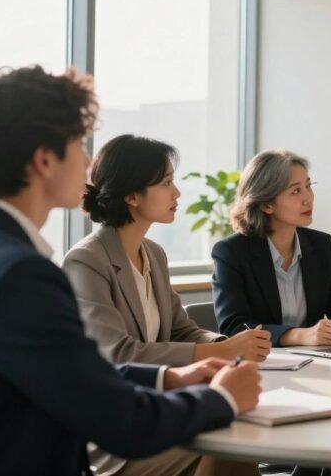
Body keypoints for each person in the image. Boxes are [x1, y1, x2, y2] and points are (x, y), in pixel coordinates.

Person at [0, 66, 260, 476]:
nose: (86, 160)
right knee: (230, 440)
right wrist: (221, 399)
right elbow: (122, 424)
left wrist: (167, 378)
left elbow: (69, 371)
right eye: (78, 144)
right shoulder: (19, 275)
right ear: (44, 159)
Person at [63, 134, 271, 476]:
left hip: (159, 409)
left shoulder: (154, 255)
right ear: (131, 195)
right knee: (233, 441)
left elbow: (180, 328)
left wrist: (225, 346)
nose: (176, 193)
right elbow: (117, 354)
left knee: (236, 440)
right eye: (166, 182)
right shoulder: (87, 261)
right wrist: (214, 354)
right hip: (115, 437)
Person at [213, 149, 331, 347]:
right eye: (296, 191)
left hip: (315, 362)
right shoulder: (231, 252)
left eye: (308, 186)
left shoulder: (321, 245)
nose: (308, 198)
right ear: (266, 205)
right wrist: (298, 336)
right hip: (262, 365)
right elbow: (235, 327)